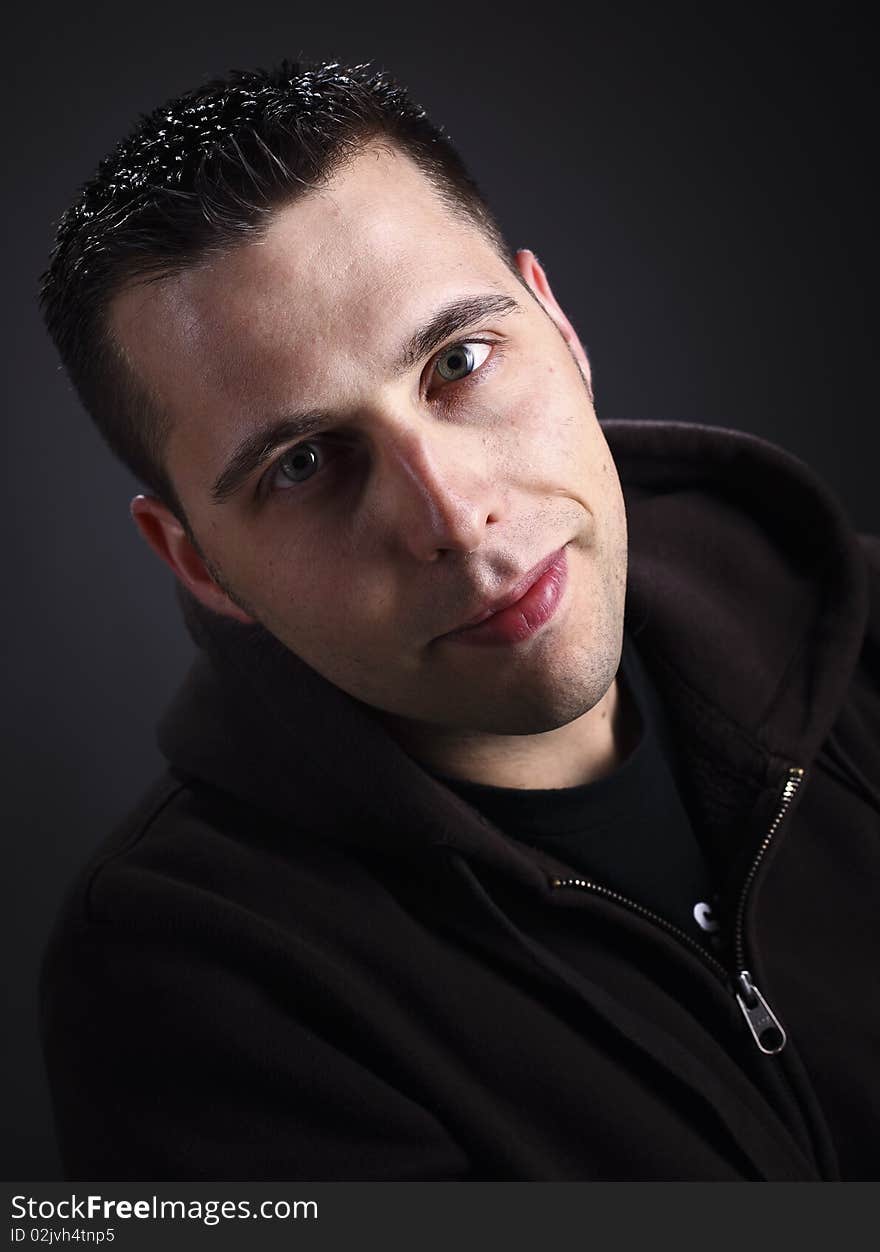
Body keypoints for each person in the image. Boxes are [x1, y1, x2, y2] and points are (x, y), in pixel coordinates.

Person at [38, 60, 879, 1182]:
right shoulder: (191, 975)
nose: (452, 514)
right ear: (198, 561)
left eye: (460, 362)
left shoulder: (869, 629)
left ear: (560, 328)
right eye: (304, 464)